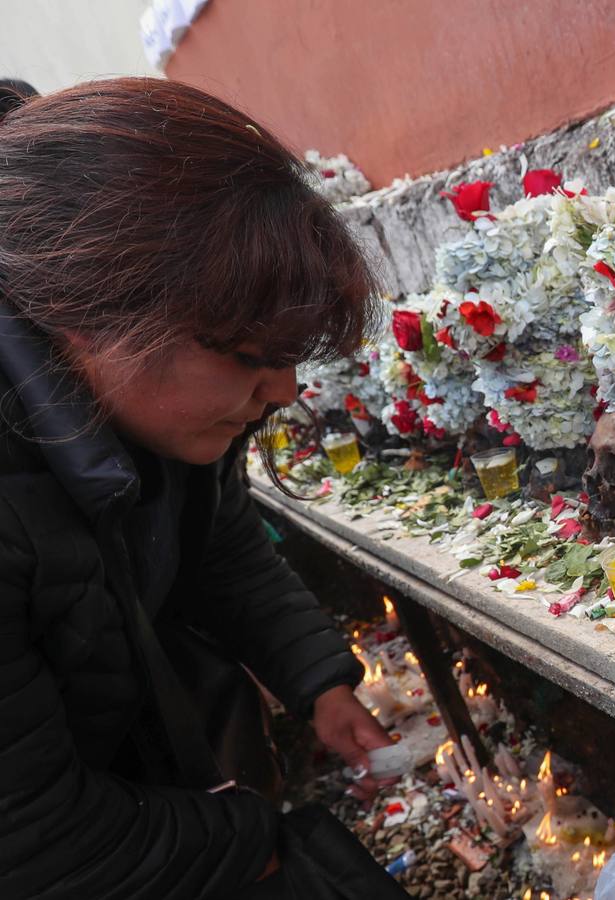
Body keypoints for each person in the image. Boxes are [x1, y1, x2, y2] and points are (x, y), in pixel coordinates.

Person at [0, 78, 404, 898]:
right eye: (252, 358)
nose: (285, 391)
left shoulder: (160, 414)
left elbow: (216, 542)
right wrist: (255, 841)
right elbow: (34, 840)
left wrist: (316, 679)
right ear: (92, 315)